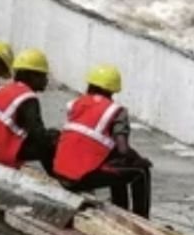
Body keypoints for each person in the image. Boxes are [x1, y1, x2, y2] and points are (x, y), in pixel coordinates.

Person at [53, 65, 153, 218]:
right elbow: (123, 150)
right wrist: (139, 160)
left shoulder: (76, 104)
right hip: (79, 178)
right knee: (140, 171)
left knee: (116, 164)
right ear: (112, 91)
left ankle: (121, 207)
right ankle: (142, 218)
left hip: (60, 173)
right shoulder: (116, 111)